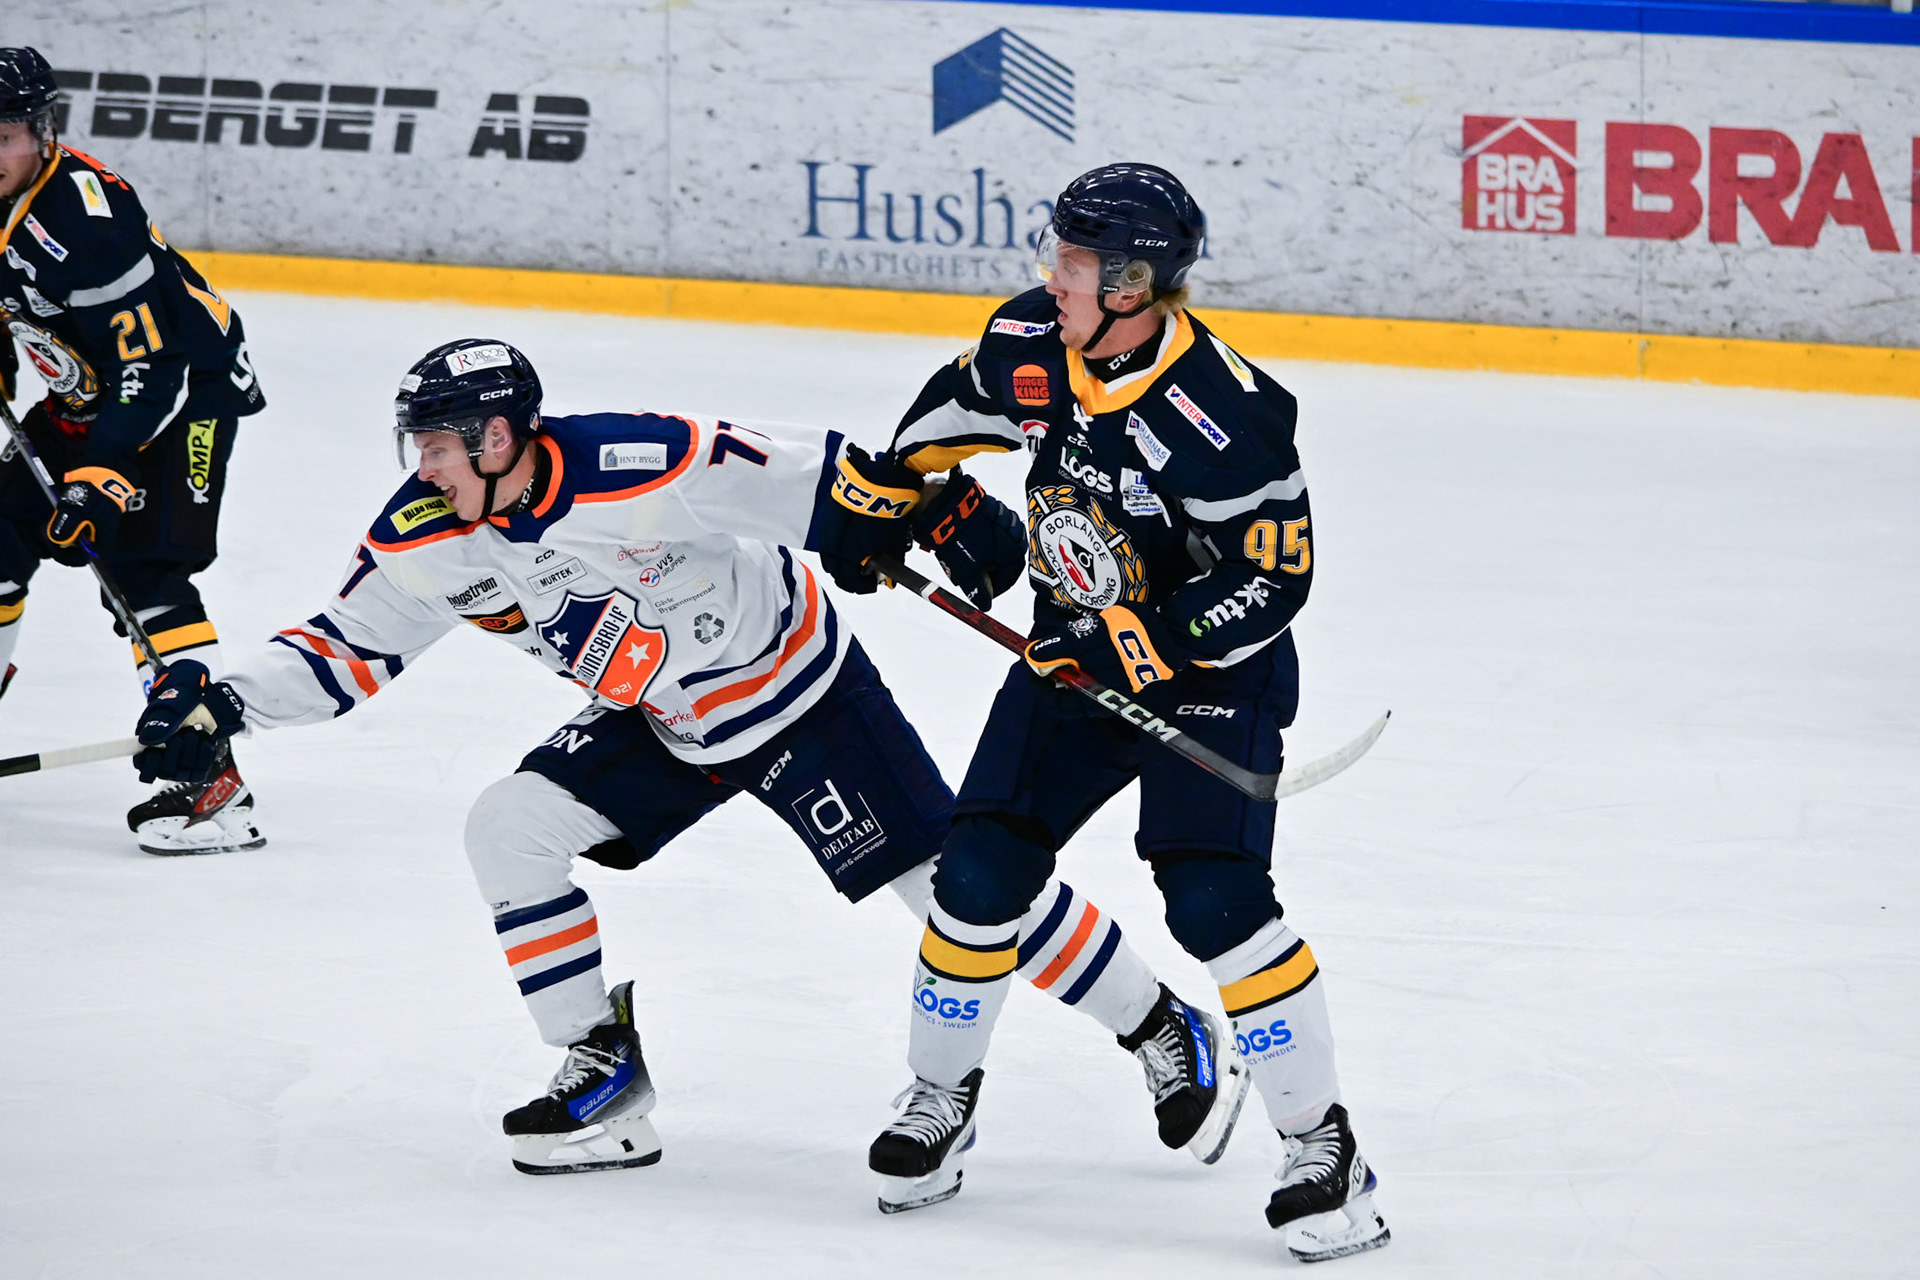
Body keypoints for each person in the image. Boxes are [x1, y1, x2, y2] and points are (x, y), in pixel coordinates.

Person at [130, 337, 1248, 1185]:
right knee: (509, 826)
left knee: (955, 894)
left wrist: (934, 506)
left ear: (499, 437)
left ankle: (1163, 1025)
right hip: (664, 723)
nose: (420, 465)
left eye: (437, 443)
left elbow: (815, 473)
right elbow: (345, 648)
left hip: (800, 696)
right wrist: (224, 702)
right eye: (414, 444)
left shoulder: (638, 462)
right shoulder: (428, 534)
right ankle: (601, 1068)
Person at [824, 163, 1390, 1261]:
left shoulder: (1229, 414)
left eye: (1077, 264)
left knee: (1215, 899)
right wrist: (891, 501)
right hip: (1073, 653)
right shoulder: (1031, 342)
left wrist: (1146, 638)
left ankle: (1325, 1146)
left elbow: (1275, 576)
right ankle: (941, 1100)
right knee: (976, 874)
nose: (1055, 277)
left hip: (1212, 669)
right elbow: (943, 419)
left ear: (1132, 284)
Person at [0, 46, 267, 854]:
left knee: (143, 570)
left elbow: (155, 367)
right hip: (91, 392)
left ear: (43, 132)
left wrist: (100, 476)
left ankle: (211, 781)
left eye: (2, 136)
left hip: (185, 395)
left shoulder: (87, 222)